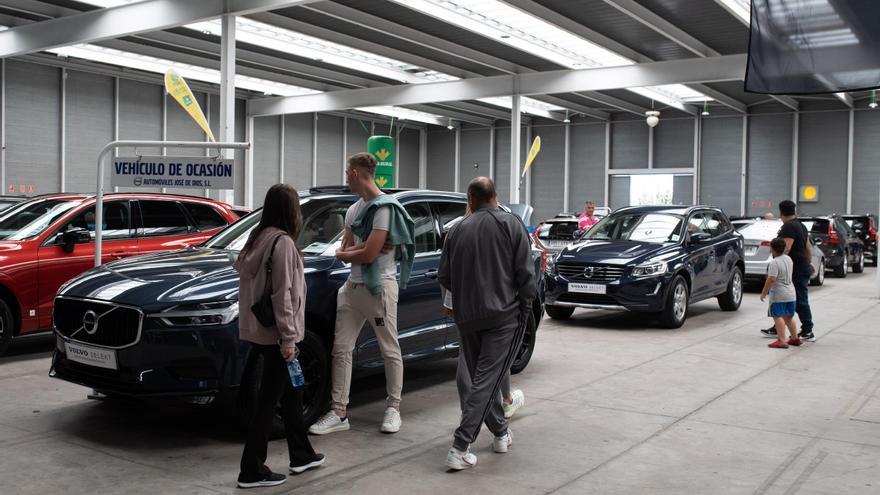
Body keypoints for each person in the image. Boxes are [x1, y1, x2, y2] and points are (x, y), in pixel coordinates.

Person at [309, 152, 415, 436]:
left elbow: (366, 254)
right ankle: (339, 412)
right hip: (351, 289)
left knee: (389, 348)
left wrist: (354, 251)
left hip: (379, 287)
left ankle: (394, 408)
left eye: (347, 173)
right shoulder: (354, 210)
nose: (346, 177)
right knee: (341, 349)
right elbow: (346, 250)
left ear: (356, 173)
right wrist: (357, 251)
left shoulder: (384, 209)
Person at [439, 177, 536, 471]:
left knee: (484, 379)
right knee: (486, 380)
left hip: (468, 318)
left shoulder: (456, 231)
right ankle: (460, 446)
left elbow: (445, 277)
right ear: (495, 195)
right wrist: (526, 305)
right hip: (504, 316)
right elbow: (526, 273)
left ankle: (501, 433)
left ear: (471, 198)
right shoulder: (511, 224)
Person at [234, 184, 324, 489]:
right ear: (289, 210)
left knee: (291, 393)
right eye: (296, 206)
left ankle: (301, 454)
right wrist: (288, 339)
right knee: (268, 402)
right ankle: (252, 469)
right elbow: (282, 295)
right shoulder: (283, 243)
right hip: (277, 336)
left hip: (258, 332)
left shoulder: (257, 237)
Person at [443, 289, 526, 419]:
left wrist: (450, 300)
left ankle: (467, 413)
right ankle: (505, 404)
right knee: (498, 354)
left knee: (465, 355)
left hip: (464, 297)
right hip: (493, 299)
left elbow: (449, 272)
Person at [760, 200, 815, 341]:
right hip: (800, 267)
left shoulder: (788, 227)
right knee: (784, 298)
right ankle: (778, 327)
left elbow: (787, 248)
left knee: (799, 300)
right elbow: (808, 247)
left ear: (781, 212)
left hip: (795, 269)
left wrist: (777, 264)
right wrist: (809, 263)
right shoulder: (801, 225)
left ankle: (808, 331)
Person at [760, 237, 801, 349]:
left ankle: (782, 340)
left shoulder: (774, 262)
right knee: (788, 317)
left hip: (779, 295)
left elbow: (771, 279)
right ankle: (794, 338)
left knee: (777, 316)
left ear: (772, 249)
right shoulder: (788, 259)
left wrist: (764, 292)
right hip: (791, 294)